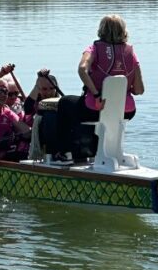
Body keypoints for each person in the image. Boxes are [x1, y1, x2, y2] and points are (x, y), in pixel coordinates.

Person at [55, 14, 145, 162]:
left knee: (65, 103)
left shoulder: (94, 48)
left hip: (96, 108)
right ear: (124, 31)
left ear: (101, 30)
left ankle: (64, 152)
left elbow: (82, 69)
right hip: (126, 111)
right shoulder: (131, 54)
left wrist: (97, 95)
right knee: (104, 118)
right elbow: (139, 90)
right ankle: (106, 153)